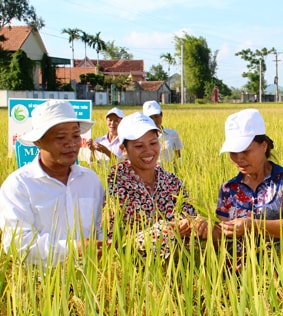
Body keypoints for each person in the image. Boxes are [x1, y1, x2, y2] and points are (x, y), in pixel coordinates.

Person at [0, 99, 106, 266]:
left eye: (76, 135)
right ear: (38, 141)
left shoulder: (91, 180)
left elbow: (101, 227)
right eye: (60, 137)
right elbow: (17, 244)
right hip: (39, 284)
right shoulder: (19, 185)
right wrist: (71, 249)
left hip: (93, 281)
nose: (71, 143)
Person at [216, 108, 283, 272]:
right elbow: (222, 236)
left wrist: (253, 225)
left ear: (264, 146)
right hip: (236, 279)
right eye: (233, 153)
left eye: (245, 151)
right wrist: (202, 229)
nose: (239, 159)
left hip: (282, 274)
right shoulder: (228, 189)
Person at [107, 112, 208, 259]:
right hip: (135, 269)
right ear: (123, 149)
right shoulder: (116, 183)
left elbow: (191, 216)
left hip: (178, 266)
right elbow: (117, 241)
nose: (148, 151)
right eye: (139, 146)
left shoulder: (172, 182)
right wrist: (168, 230)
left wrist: (198, 224)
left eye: (153, 143)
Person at [142, 100, 183, 165]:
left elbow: (178, 156)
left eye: (156, 116)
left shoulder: (173, 134)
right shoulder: (140, 137)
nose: (154, 120)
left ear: (161, 115)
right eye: (150, 118)